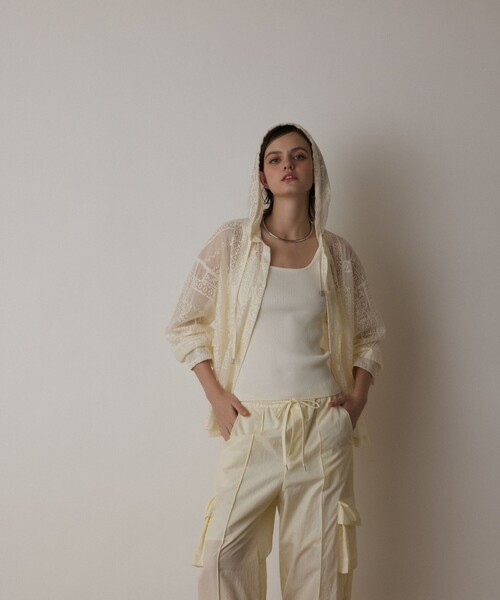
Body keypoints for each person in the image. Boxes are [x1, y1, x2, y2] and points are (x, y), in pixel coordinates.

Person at [166, 123, 385, 600]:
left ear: (314, 170)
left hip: (322, 426)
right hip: (252, 423)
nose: (288, 165)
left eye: (299, 156)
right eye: (275, 158)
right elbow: (185, 324)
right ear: (262, 176)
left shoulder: (337, 254)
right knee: (223, 559)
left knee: (319, 575)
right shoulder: (233, 244)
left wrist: (356, 404)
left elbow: (369, 337)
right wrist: (216, 396)